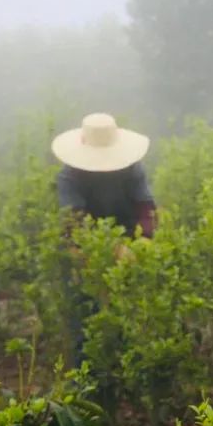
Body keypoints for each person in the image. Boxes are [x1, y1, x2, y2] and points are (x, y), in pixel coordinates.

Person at [52, 113, 157, 364]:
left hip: (128, 244)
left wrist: (143, 241)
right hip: (85, 249)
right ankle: (88, 382)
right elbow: (75, 225)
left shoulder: (132, 169)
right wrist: (107, 250)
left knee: (131, 315)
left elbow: (146, 209)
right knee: (86, 316)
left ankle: (128, 369)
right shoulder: (70, 177)